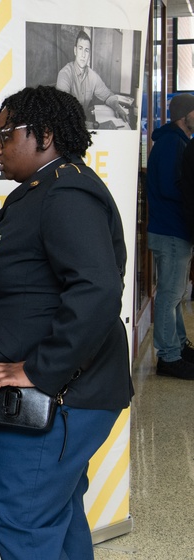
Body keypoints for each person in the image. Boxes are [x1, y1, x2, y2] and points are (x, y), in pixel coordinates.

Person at [0, 85, 132, 560]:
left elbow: (95, 292)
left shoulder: (66, 195)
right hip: (62, 398)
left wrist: (37, 370)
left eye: (6, 132)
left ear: (44, 137)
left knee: (26, 530)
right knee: (57, 531)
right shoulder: (38, 194)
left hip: (58, 401)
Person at [147, 93, 194, 379]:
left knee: (175, 295)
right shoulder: (170, 143)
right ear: (184, 115)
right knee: (169, 295)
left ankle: (178, 345)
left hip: (175, 229)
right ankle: (168, 357)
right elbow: (170, 186)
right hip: (171, 230)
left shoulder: (177, 141)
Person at [55, 30, 130, 128]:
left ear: (89, 53)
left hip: (83, 125)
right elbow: (63, 116)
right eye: (80, 49)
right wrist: (97, 126)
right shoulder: (65, 75)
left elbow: (108, 96)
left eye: (86, 50)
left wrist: (118, 108)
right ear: (75, 50)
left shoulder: (92, 75)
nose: (83, 55)